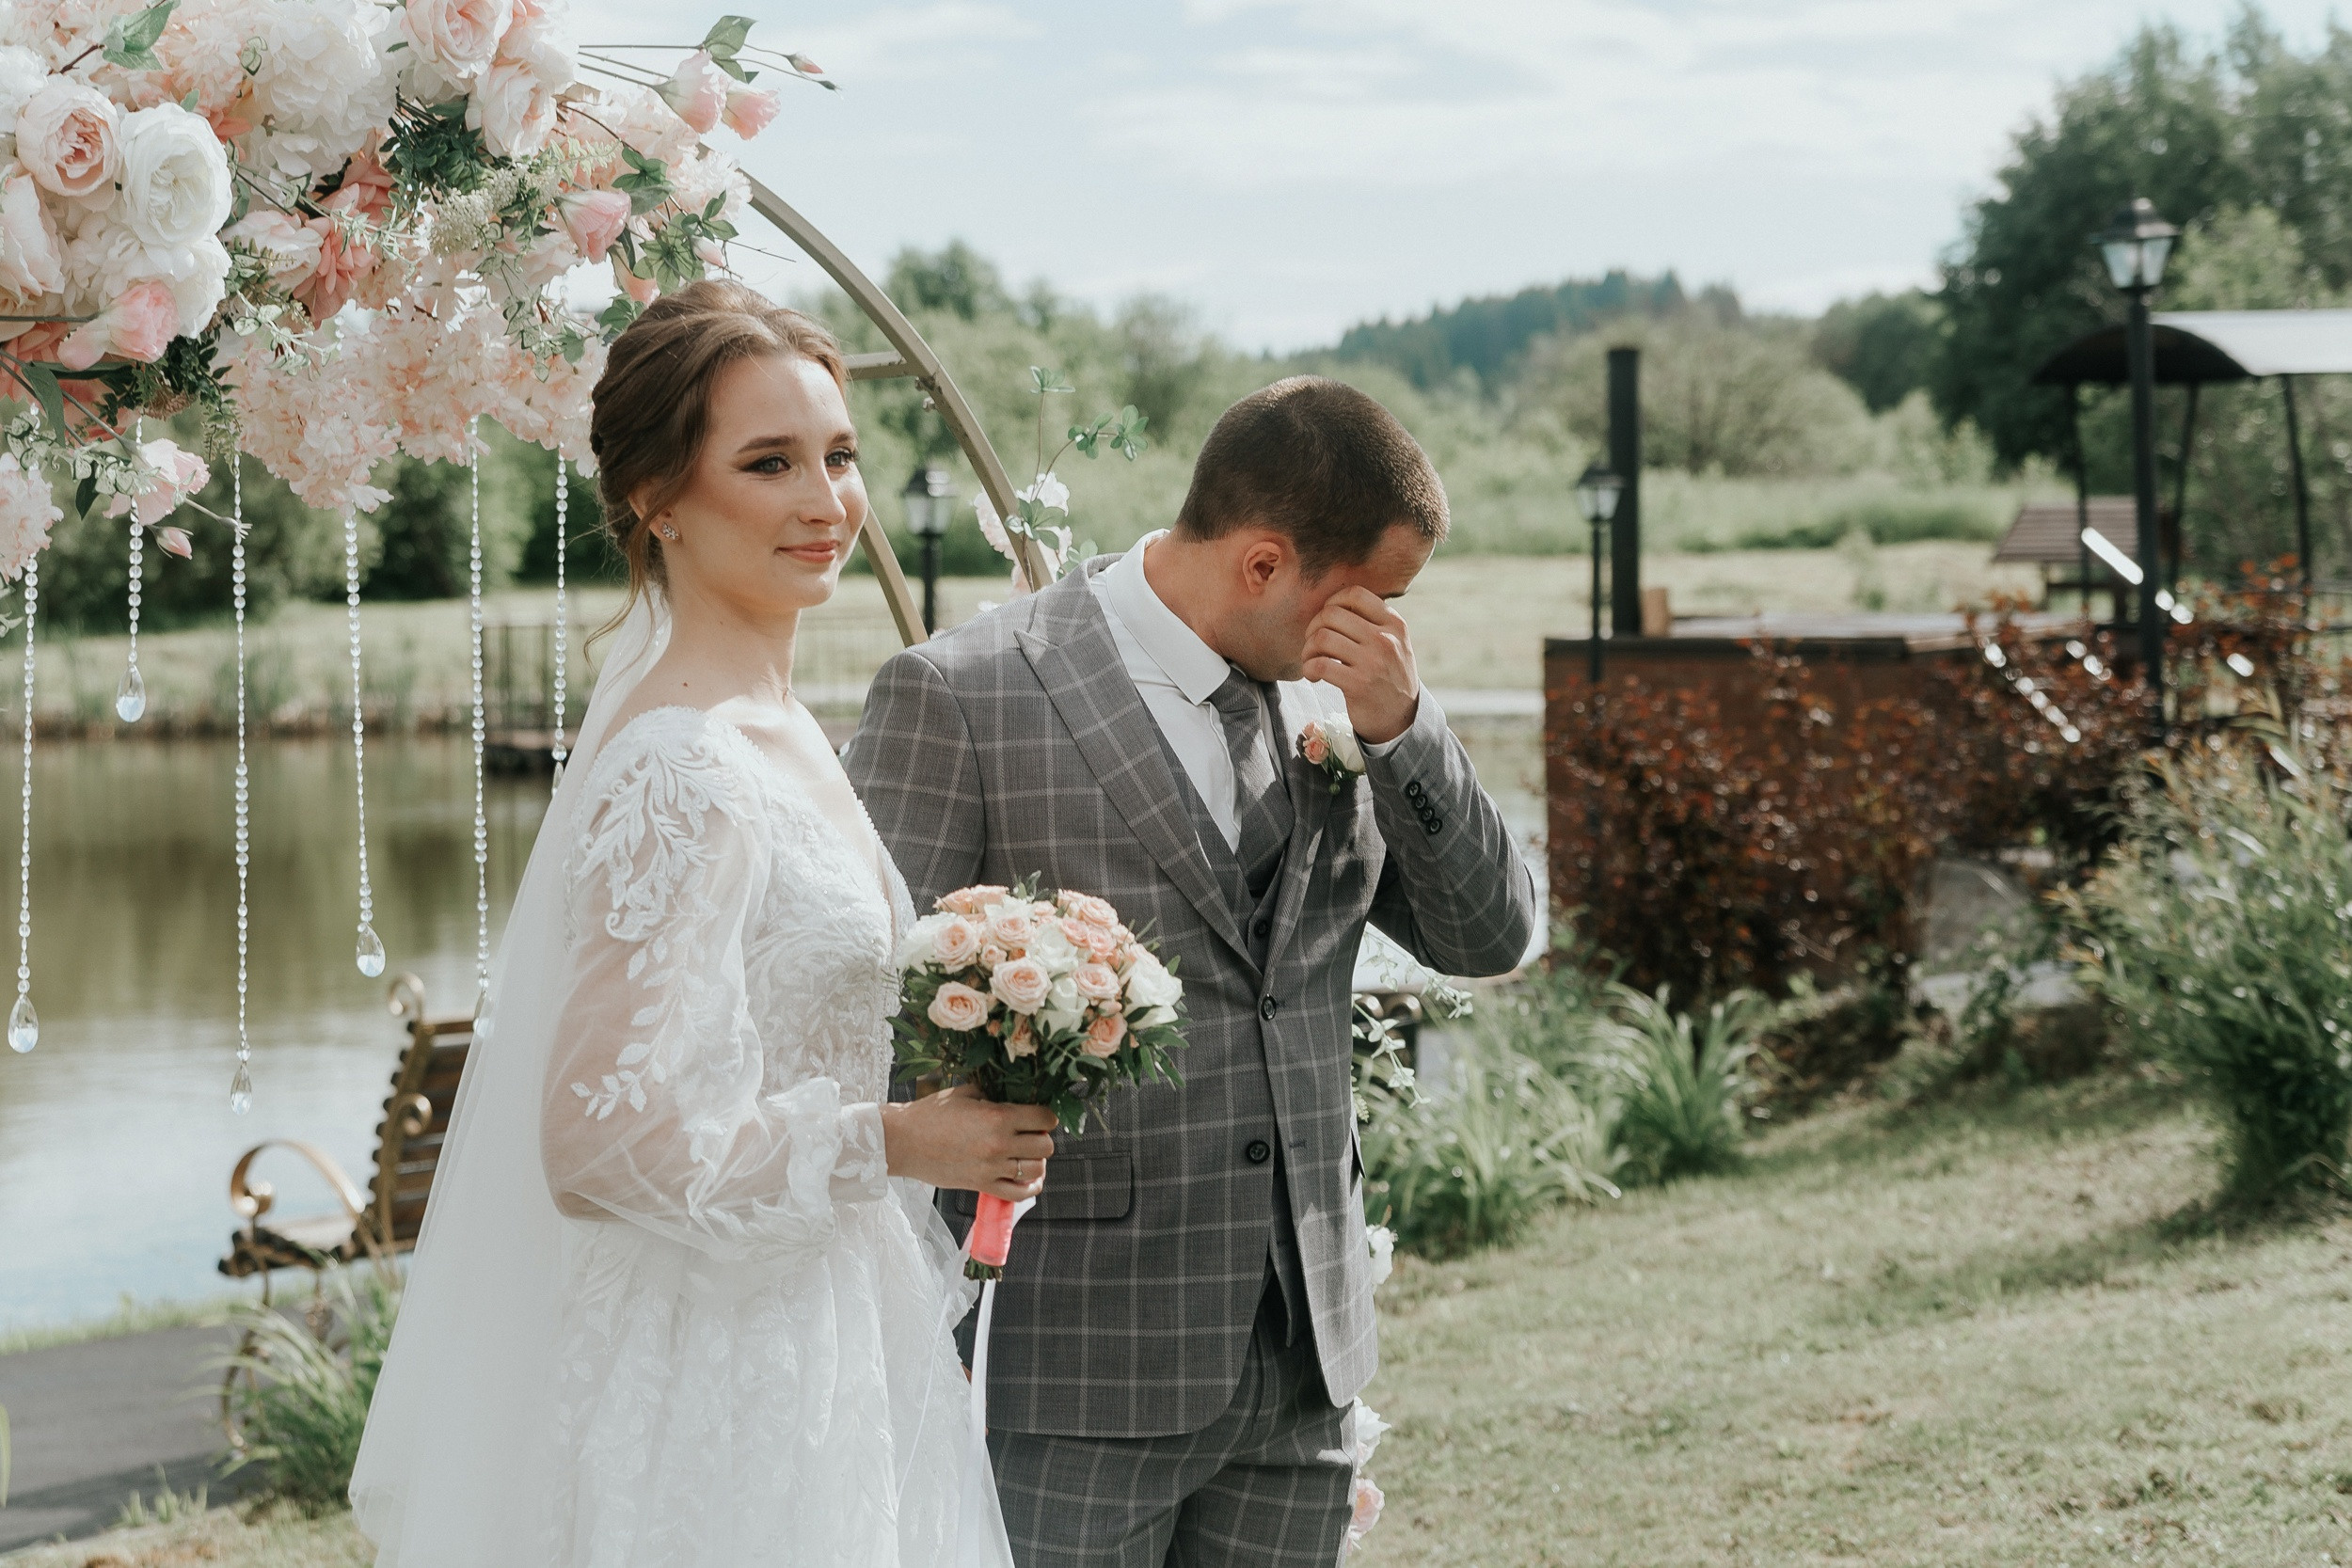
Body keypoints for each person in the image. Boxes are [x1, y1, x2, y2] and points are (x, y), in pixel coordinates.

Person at [351, 279, 1048, 1567]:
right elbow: (600, 1142)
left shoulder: (779, 729)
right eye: (769, 461)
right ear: (658, 499)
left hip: (822, 1327)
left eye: (840, 455)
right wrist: (893, 1136)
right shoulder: (684, 764)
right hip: (715, 1379)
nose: (826, 499)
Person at [846, 376, 1540, 1566]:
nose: (1387, 628)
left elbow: (1490, 935)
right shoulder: (964, 695)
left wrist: (1404, 726)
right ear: (1265, 565)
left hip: (1301, 1366)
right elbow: (857, 1015)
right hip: (1066, 1374)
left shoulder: (1348, 703)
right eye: (1373, 596)